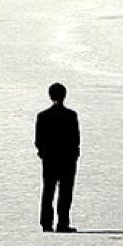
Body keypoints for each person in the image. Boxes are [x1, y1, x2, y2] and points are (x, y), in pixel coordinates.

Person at [35, 82, 80, 232]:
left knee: (48, 191)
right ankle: (62, 223)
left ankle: (46, 223)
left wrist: (43, 153)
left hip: (50, 160)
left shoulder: (43, 116)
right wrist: (74, 154)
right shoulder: (71, 115)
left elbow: (38, 140)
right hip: (67, 159)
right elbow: (75, 139)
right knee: (65, 192)